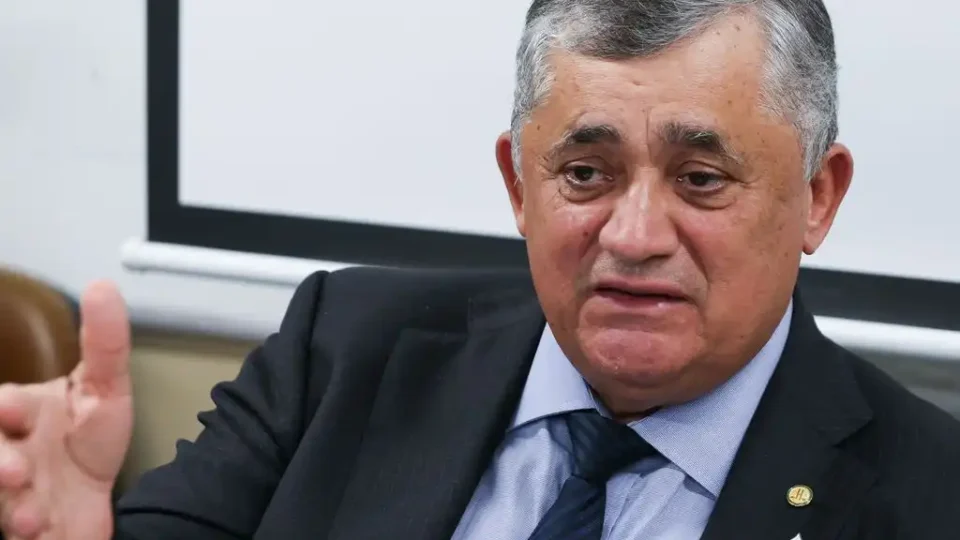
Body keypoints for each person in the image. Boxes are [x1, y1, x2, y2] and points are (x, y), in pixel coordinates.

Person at [2, 0, 960, 538]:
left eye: (701, 180)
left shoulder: (930, 494)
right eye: (584, 174)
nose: (633, 235)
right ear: (517, 182)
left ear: (817, 197)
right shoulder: (344, 347)